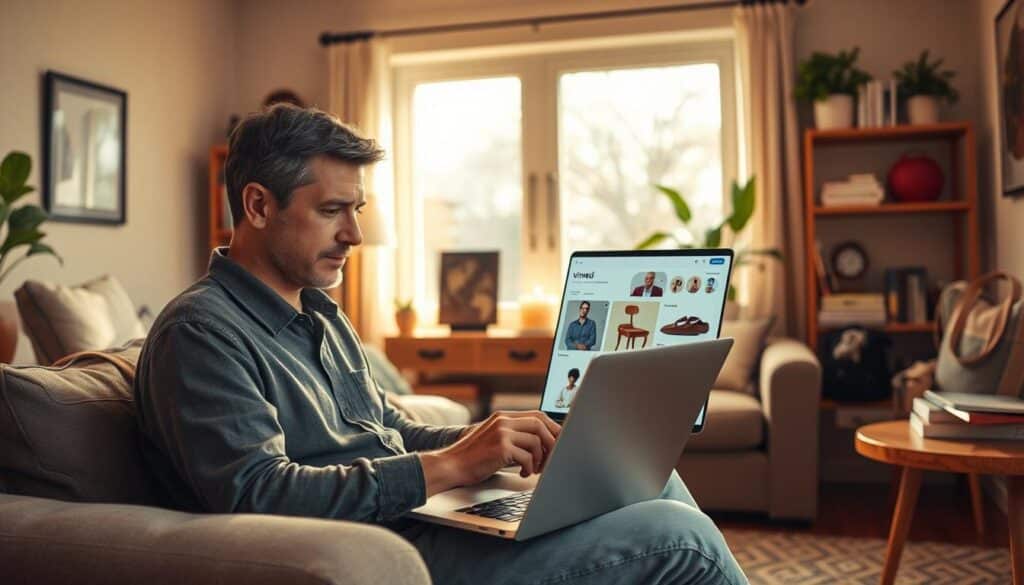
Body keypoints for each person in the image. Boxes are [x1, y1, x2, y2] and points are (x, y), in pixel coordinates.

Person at [134, 105, 746, 585]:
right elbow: (256, 494)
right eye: (331, 210)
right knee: (677, 537)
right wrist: (453, 465)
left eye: (358, 209)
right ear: (258, 205)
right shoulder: (202, 333)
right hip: (384, 555)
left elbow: (384, 430)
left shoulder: (319, 312)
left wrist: (490, 438)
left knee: (644, 478)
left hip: (424, 525)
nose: (355, 234)